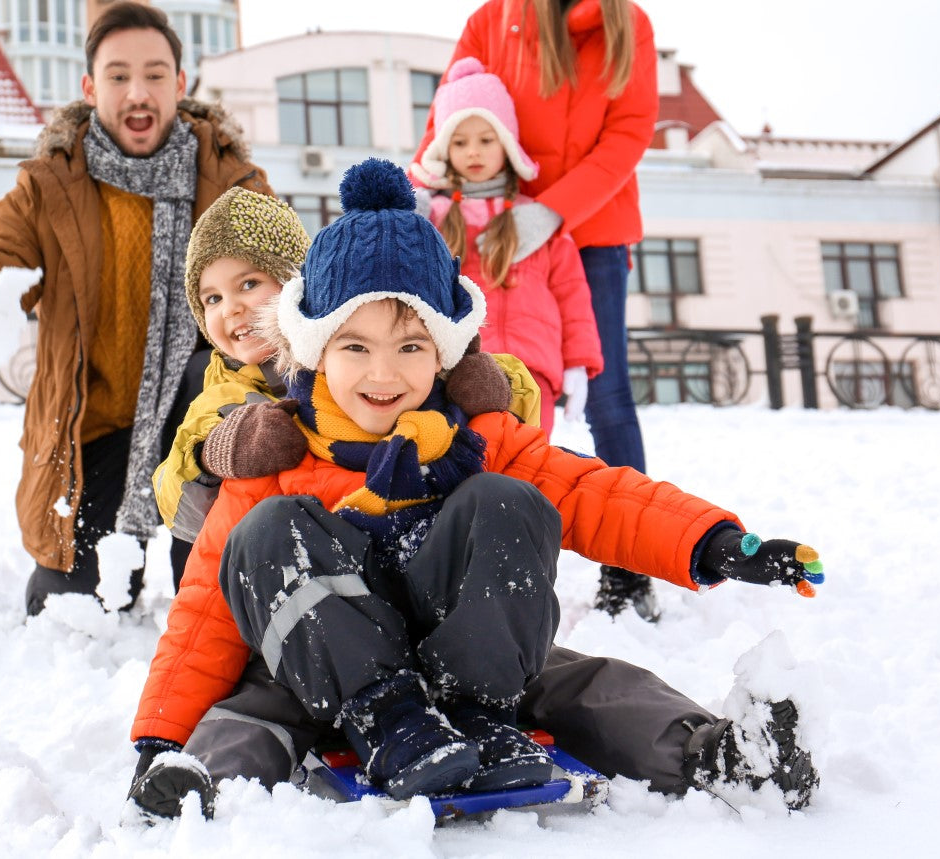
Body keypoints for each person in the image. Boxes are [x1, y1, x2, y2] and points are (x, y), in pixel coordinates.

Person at [125, 160, 825, 818]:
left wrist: (719, 543)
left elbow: (597, 493)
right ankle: (200, 780)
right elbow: (205, 611)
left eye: (409, 346)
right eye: (355, 347)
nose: (383, 373)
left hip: (471, 672)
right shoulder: (282, 448)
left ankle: (720, 754)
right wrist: (160, 739)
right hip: (335, 672)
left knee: (570, 654)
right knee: (263, 637)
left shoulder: (474, 432)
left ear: (442, 351)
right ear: (314, 349)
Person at [0, 2, 273, 615]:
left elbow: (286, 275)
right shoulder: (50, 182)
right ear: (90, 87)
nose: (137, 92)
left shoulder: (230, 179)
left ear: (180, 85)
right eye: (119, 76)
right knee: (69, 612)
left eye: (154, 74)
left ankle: (207, 572)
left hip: (204, 427)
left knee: (213, 607)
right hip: (93, 431)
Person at [411, 0, 662, 621]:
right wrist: (425, 193)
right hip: (483, 224)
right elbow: (453, 107)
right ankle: (453, 556)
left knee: (605, 397)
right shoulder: (493, 19)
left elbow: (629, 132)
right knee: (463, 394)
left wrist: (551, 210)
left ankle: (629, 568)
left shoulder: (625, 24)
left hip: (587, 227)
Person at [153, 186, 541, 586]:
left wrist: (493, 387)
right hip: (284, 579)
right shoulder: (221, 400)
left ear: (295, 288)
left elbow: (519, 435)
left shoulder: (364, 359)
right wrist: (211, 456)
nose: (230, 307)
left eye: (249, 284)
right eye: (211, 298)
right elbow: (179, 511)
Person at [416, 57, 602, 435]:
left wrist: (577, 362)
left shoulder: (537, 219)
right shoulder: (432, 215)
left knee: (529, 469)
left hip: (533, 372)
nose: (473, 152)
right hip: (459, 370)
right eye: (460, 141)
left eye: (487, 140)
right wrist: (409, 208)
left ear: (507, 145)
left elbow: (571, 292)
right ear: (444, 148)